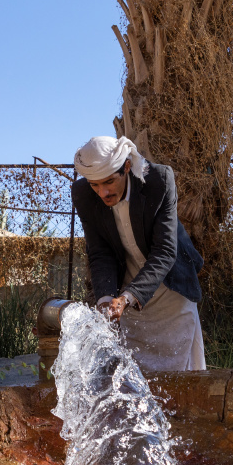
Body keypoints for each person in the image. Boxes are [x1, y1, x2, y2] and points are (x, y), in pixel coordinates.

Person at [72, 135, 206, 373]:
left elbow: (165, 251)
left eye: (109, 182)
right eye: (95, 185)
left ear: (125, 167)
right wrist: (107, 301)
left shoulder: (159, 180)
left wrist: (128, 298)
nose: (102, 193)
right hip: (127, 293)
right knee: (133, 376)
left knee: (184, 374)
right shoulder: (83, 194)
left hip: (171, 287)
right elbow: (100, 252)